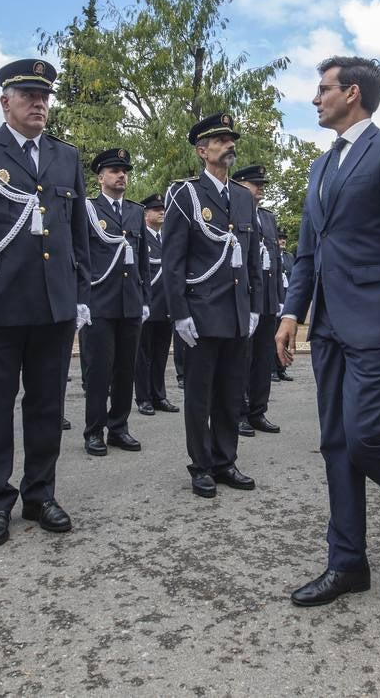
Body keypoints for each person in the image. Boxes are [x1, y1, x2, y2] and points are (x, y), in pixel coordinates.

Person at [275, 56, 380, 607]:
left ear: (353, 93)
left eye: (323, 89)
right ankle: (347, 563)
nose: (315, 99)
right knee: (337, 444)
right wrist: (292, 312)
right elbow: (308, 252)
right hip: (329, 330)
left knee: (367, 436)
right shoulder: (323, 166)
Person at [0, 58, 90, 547]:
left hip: (54, 306)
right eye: (27, 95)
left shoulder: (66, 156)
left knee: (47, 406)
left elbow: (77, 234)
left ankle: (40, 494)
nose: (38, 103)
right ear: (5, 102)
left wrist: (81, 294)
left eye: (44, 95)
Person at [162, 113, 262, 499]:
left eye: (231, 139)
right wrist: (180, 313)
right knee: (200, 395)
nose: (229, 144)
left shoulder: (240, 196)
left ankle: (225, 460)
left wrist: (252, 304)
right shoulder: (184, 194)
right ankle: (201, 466)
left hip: (236, 311)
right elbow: (173, 261)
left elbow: (251, 253)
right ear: (202, 151)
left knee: (230, 393)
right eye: (220, 140)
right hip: (201, 311)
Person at [78, 147, 148, 456]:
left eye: (125, 171)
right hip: (99, 303)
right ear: (100, 177)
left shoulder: (135, 211)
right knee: (99, 370)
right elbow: (79, 257)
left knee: (124, 369)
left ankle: (119, 427)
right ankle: (94, 430)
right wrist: (80, 300)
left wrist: (144, 297)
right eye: (115, 170)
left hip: (129, 303)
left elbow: (142, 258)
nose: (121, 175)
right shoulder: (88, 209)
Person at [231, 164, 282, 436]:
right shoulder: (235, 212)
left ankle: (258, 411)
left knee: (263, 359)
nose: (261, 187)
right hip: (246, 299)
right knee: (242, 360)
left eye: (262, 183)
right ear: (240, 185)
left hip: (267, 301)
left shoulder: (268, 218)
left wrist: (278, 300)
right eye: (255, 183)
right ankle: (238, 412)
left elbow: (274, 263)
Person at [134, 193, 179, 415]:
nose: (162, 212)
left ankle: (159, 395)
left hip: (166, 306)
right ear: (145, 214)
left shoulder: (166, 239)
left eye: (163, 208)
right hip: (148, 306)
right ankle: (143, 397)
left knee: (161, 354)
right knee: (143, 355)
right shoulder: (141, 238)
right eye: (156, 209)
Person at [272, 233, 294, 382]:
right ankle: (272, 370)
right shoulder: (271, 254)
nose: (283, 240)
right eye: (280, 238)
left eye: (284, 238)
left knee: (284, 338)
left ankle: (281, 369)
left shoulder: (289, 257)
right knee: (273, 337)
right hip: (274, 300)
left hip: (286, 300)